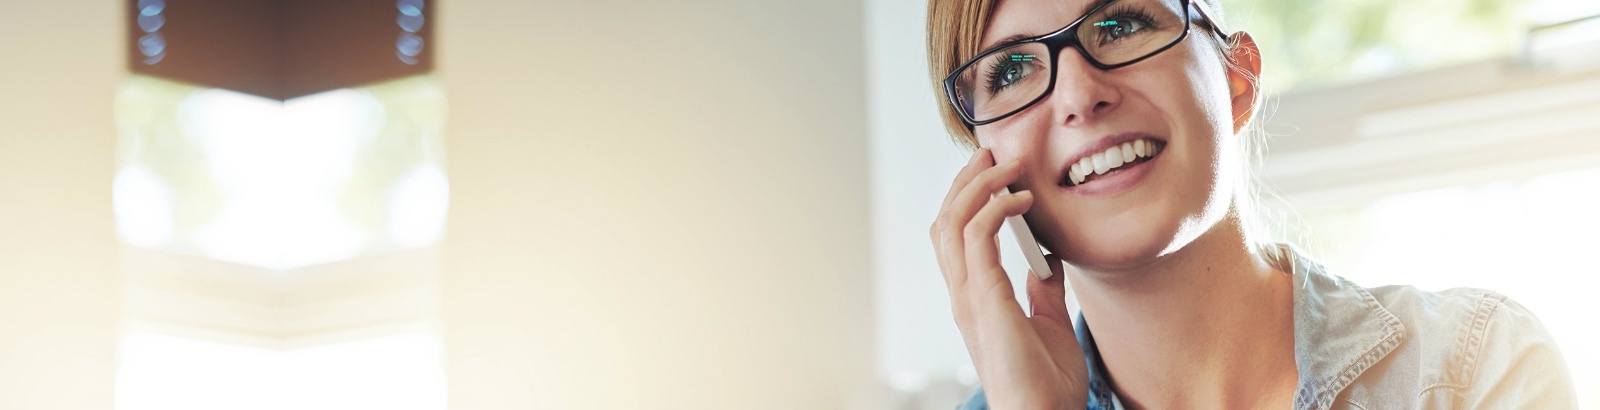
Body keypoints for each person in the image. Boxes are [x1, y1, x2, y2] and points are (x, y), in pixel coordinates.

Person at [923, 0, 1579, 408]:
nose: (1078, 93)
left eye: (1119, 24)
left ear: (1237, 80)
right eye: (1010, 71)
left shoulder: (1474, 368)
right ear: (982, 166)